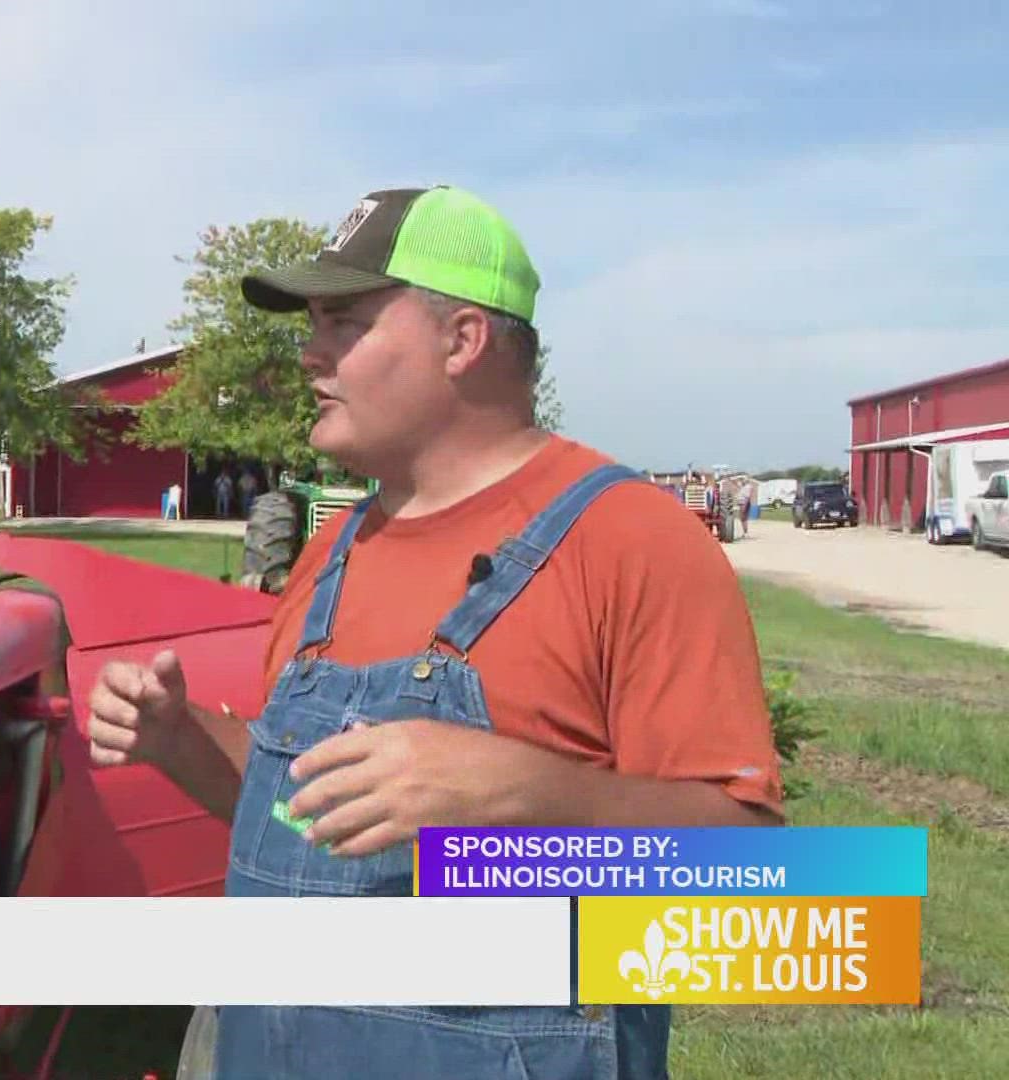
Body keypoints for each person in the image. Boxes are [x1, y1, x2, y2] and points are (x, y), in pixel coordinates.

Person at [84, 186, 782, 1079]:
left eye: (345, 322)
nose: (310, 355)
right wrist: (178, 741)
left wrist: (524, 799)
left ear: (462, 341)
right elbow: (314, 833)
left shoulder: (633, 544)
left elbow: (758, 879)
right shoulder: (330, 556)